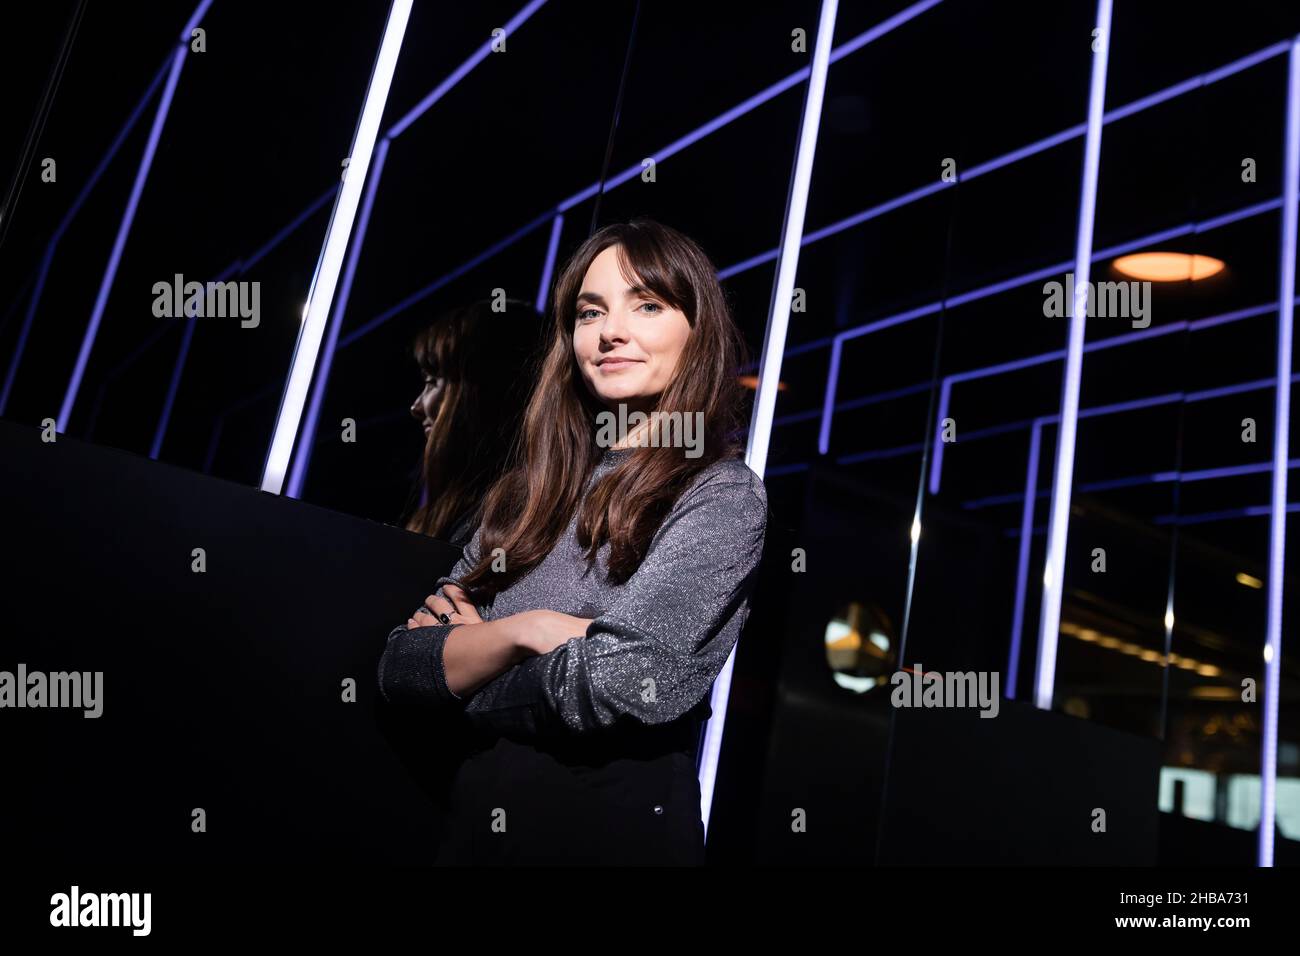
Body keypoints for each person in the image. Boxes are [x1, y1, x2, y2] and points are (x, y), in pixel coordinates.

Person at [377, 218, 768, 865]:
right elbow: (401, 668)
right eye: (591, 311)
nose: (611, 330)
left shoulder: (720, 495)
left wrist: (470, 660)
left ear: (698, 334)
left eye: (646, 304)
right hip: (474, 830)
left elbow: (628, 681)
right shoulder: (528, 491)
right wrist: (528, 630)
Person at [402, 298, 542, 546]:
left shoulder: (495, 527)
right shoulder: (464, 515)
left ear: (482, 393)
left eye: (433, 381)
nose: (416, 407)